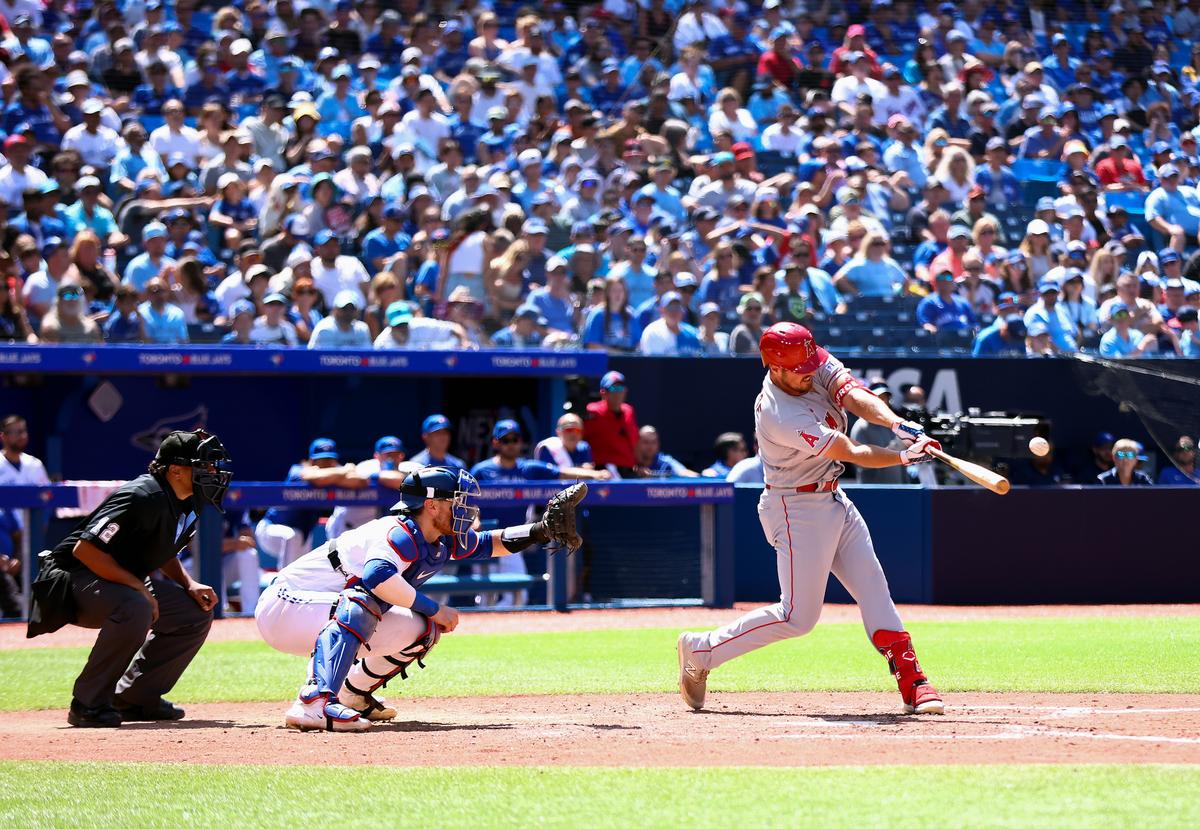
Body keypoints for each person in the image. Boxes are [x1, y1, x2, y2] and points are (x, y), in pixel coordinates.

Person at [677, 323, 945, 715]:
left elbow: (853, 393)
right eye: (800, 369)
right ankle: (701, 650)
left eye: (810, 363)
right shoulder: (780, 414)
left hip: (832, 496)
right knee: (797, 617)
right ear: (776, 368)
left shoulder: (808, 360)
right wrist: (903, 456)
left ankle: (913, 681)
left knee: (873, 587)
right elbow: (851, 450)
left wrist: (896, 424)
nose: (810, 371)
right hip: (795, 507)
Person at [255, 466, 586, 730]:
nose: (463, 507)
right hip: (285, 605)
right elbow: (377, 577)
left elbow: (489, 543)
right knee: (362, 604)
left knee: (422, 628)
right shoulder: (397, 531)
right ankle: (313, 703)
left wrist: (540, 530)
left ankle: (352, 695)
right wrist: (435, 607)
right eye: (455, 501)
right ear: (431, 505)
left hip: (323, 612)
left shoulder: (437, 537)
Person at [27, 430, 230, 727]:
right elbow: (86, 550)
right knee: (136, 605)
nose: (211, 472)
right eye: (203, 465)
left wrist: (189, 583)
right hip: (70, 581)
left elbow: (161, 548)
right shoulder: (141, 496)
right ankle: (87, 704)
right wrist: (140, 589)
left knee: (193, 612)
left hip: (114, 582)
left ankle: (134, 698)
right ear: (176, 470)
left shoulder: (188, 499)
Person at [254, 439, 364, 570]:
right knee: (292, 537)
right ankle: (282, 580)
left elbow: (360, 481)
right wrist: (345, 470)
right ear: (312, 461)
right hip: (271, 529)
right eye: (323, 460)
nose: (328, 464)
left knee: (301, 568)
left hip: (303, 533)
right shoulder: (297, 470)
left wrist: (339, 474)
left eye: (330, 460)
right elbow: (317, 478)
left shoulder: (334, 477)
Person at [327, 436, 414, 541]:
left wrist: (376, 477)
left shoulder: (407, 468)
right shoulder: (367, 467)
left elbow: (401, 481)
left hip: (371, 530)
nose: (391, 459)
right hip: (346, 525)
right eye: (387, 455)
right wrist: (374, 476)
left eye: (396, 454)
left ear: (402, 456)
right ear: (377, 456)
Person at [848, 381, 907, 484]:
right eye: (879, 398)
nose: (883, 401)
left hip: (898, 488)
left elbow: (901, 462)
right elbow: (858, 462)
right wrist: (892, 450)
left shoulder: (892, 424)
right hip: (872, 489)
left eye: (885, 398)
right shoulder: (861, 427)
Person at [583, 371, 639, 474]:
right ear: (603, 392)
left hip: (629, 470)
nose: (617, 393)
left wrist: (640, 464)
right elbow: (580, 440)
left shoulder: (629, 411)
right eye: (613, 388)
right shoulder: (593, 411)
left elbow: (634, 442)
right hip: (604, 471)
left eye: (620, 388)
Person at [535, 413, 602, 472]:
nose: (573, 434)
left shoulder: (584, 448)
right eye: (569, 430)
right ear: (558, 432)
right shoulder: (548, 448)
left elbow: (588, 472)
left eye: (577, 430)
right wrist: (580, 469)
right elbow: (549, 474)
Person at [308, 291, 372, 349]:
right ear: (335, 309)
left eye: (352, 308)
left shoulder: (362, 329)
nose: (348, 312)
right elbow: (325, 356)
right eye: (344, 308)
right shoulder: (325, 329)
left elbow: (366, 355)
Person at [632, 425, 698, 477]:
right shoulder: (630, 461)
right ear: (638, 443)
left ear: (658, 444)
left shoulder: (665, 462)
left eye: (653, 442)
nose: (650, 446)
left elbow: (684, 472)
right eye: (646, 442)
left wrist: (699, 476)